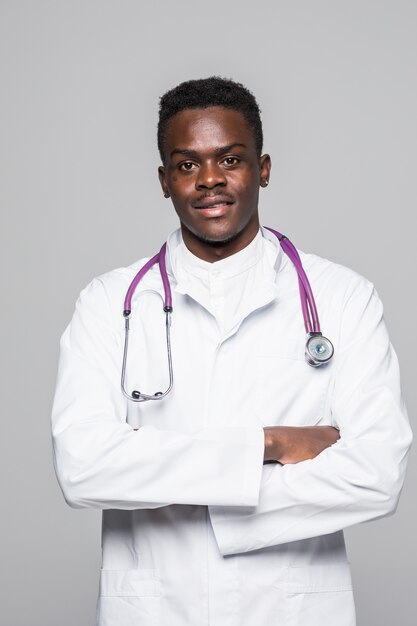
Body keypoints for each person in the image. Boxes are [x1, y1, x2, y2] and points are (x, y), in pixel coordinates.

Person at [51, 76, 412, 626]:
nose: (210, 180)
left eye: (231, 159)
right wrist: (268, 444)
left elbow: (376, 474)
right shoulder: (109, 304)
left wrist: (201, 494)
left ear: (262, 169)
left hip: (290, 609)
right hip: (154, 609)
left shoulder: (343, 297)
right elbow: (84, 467)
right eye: (187, 164)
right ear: (164, 180)